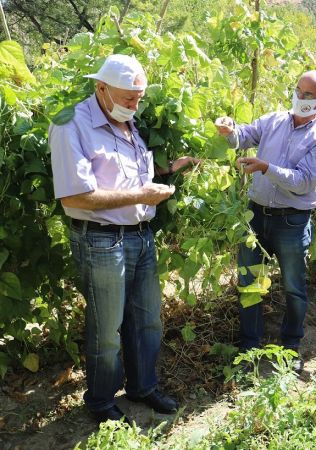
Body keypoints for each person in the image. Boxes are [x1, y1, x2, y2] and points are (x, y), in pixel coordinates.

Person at [49, 54, 197, 424]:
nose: (135, 105)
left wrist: (168, 169)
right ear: (101, 88)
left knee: (148, 322)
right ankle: (100, 401)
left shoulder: (127, 120)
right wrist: (142, 197)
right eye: (129, 97)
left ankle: (143, 387)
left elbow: (127, 174)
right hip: (101, 242)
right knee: (108, 330)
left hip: (140, 236)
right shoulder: (72, 125)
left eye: (139, 98)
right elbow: (75, 197)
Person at [214, 71, 316, 373]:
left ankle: (290, 345)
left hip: (291, 221)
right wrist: (229, 130)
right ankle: (250, 346)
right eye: (298, 90)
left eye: (309, 95)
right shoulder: (273, 120)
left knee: (294, 286)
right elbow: (242, 137)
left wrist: (266, 167)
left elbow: (304, 182)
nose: (300, 98)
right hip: (255, 217)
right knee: (250, 283)